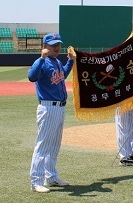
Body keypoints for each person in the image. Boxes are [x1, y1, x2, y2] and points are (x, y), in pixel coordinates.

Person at [28, 33, 75, 193]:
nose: (56, 47)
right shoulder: (42, 62)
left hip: (60, 107)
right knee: (43, 144)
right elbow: (31, 77)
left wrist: (71, 60)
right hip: (48, 107)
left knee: (55, 144)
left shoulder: (56, 62)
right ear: (45, 46)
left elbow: (63, 76)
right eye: (53, 44)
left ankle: (51, 176)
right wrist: (41, 58)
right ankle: (36, 180)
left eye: (58, 44)